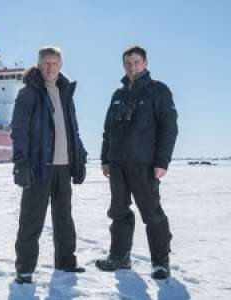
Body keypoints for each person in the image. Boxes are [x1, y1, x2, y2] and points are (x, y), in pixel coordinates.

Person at [95, 45, 178, 280]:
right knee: (119, 211)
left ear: (145, 63)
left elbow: (169, 128)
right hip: (118, 165)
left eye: (136, 62)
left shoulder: (159, 91)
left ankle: (161, 262)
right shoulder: (118, 95)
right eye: (128, 63)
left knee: (152, 213)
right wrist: (105, 158)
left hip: (145, 164)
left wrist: (162, 161)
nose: (132, 67)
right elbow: (107, 130)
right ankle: (120, 257)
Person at [11, 46, 88, 284]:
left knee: (64, 216)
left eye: (54, 63)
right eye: (46, 63)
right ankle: (25, 270)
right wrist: (21, 162)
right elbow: (19, 130)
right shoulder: (29, 93)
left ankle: (65, 261)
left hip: (63, 167)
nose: (50, 67)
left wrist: (80, 157)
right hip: (38, 166)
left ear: (61, 65)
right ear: (38, 64)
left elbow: (72, 129)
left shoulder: (65, 92)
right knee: (32, 219)